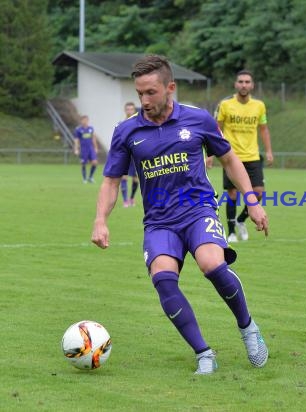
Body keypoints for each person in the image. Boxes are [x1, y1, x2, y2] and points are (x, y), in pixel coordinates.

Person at [91, 55, 269, 375]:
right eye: (139, 93)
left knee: (212, 264)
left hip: (198, 210)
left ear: (170, 88)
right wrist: (100, 220)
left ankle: (248, 327)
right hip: (159, 221)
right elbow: (111, 181)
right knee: (163, 278)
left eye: (151, 92)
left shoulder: (198, 119)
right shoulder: (127, 131)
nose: (144, 101)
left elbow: (229, 160)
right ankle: (203, 352)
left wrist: (252, 201)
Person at [215, 70, 273, 243]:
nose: (244, 85)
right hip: (230, 156)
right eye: (240, 81)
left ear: (252, 85)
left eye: (247, 82)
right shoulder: (225, 105)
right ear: (236, 84)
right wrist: (211, 153)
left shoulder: (259, 106)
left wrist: (269, 150)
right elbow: (216, 128)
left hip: (252, 155)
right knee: (232, 194)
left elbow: (263, 129)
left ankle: (241, 220)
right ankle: (231, 231)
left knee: (258, 192)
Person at [120, 102, 140, 207]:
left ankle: (131, 198)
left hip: (136, 156)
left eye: (131, 109)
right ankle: (125, 200)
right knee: (124, 177)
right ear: (125, 110)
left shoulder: (138, 124)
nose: (129, 111)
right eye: (127, 109)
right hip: (125, 155)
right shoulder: (121, 124)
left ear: (134, 111)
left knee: (136, 179)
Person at [73, 115, 99, 183]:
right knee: (83, 163)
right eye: (84, 120)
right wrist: (76, 149)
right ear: (81, 121)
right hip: (83, 149)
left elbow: (93, 138)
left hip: (91, 148)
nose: (85, 121)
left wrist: (96, 147)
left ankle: (90, 177)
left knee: (95, 163)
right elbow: (76, 140)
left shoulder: (91, 128)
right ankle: (84, 179)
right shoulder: (78, 129)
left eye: (86, 120)